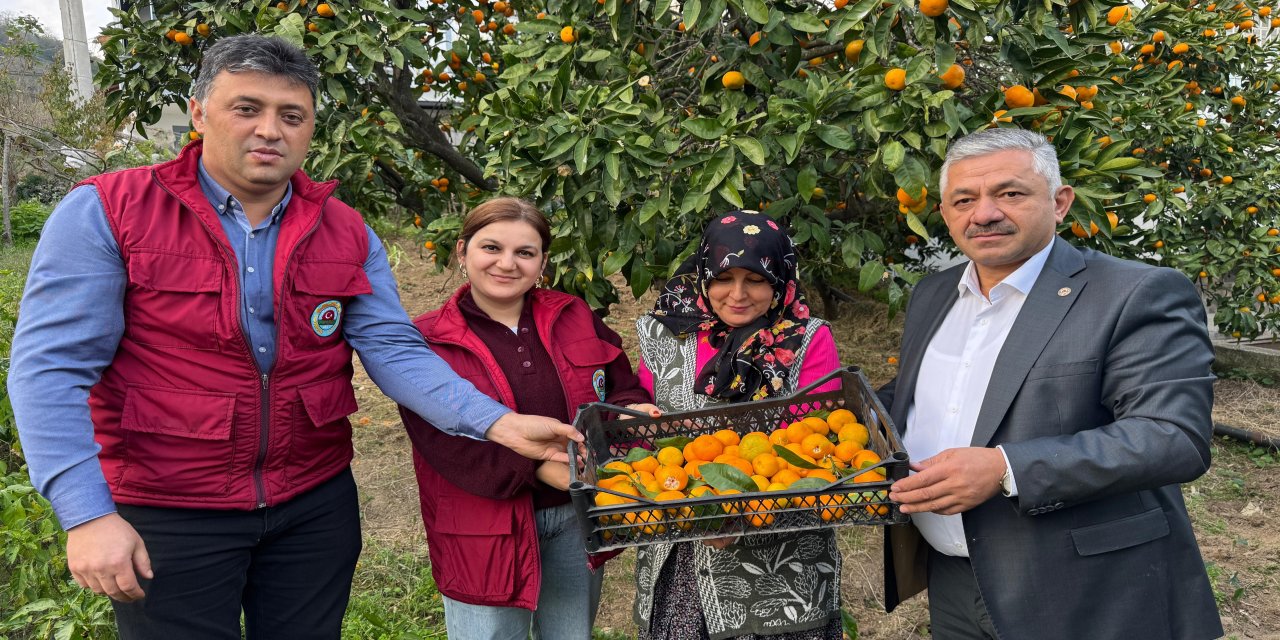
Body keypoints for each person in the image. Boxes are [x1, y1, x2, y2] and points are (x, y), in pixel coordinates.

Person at [7, 35, 583, 639]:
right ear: (200, 113)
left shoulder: (344, 229)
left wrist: (498, 423)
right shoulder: (111, 211)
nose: (270, 131)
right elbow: (49, 370)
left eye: (292, 116)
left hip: (311, 504)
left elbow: (392, 349)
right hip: (169, 506)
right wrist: (88, 514)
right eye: (246, 108)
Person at [879, 127, 1223, 640]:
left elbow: (1173, 437)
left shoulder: (1134, 293)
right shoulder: (934, 293)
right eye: (964, 199)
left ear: (1060, 202)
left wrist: (1004, 469)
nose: (985, 213)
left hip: (1085, 588)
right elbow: (920, 394)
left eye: (1010, 193)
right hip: (951, 577)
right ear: (946, 213)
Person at [397, 197, 658, 639]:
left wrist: (629, 411)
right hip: (484, 528)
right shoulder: (428, 340)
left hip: (576, 517)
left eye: (525, 252)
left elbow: (618, 384)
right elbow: (442, 443)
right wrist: (540, 468)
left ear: (542, 262)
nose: (507, 264)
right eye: (491, 248)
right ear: (462, 252)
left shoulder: (572, 315)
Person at [631, 210, 845, 640]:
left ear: (780, 279)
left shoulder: (806, 338)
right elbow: (646, 432)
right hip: (680, 551)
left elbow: (818, 446)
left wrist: (737, 515)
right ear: (703, 274)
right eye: (724, 278)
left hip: (782, 566)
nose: (738, 295)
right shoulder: (664, 332)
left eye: (757, 280)